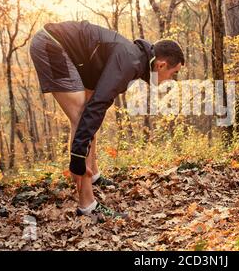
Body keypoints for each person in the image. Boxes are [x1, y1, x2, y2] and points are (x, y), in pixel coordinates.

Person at [29, 20, 184, 219]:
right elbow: (96, 107)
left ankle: (92, 174)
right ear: (161, 65)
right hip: (51, 45)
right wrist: (77, 156)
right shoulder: (129, 61)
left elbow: (97, 99)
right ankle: (87, 205)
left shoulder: (134, 59)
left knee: (88, 113)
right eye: (173, 73)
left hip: (63, 48)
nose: (171, 79)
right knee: (82, 115)